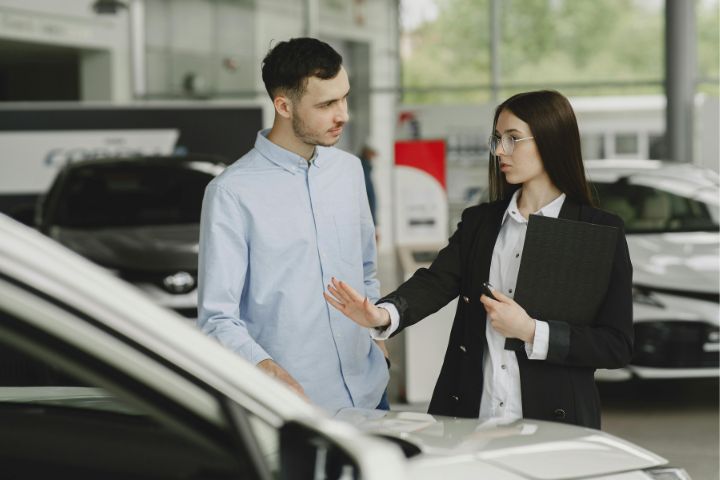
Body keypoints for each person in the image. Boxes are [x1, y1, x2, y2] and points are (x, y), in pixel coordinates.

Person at [324, 90, 633, 428]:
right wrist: (381, 314)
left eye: (513, 139)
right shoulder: (481, 222)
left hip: (554, 423)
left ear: (551, 140)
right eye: (498, 139)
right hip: (471, 415)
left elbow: (615, 345)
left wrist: (531, 331)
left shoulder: (597, 231)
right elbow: (436, 281)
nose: (500, 150)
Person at [198, 37, 389, 413]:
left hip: (370, 391)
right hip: (294, 404)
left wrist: (378, 346)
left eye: (344, 98)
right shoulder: (231, 193)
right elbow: (217, 317)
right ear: (283, 106)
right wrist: (267, 372)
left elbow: (366, 269)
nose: (343, 115)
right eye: (326, 104)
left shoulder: (350, 171)